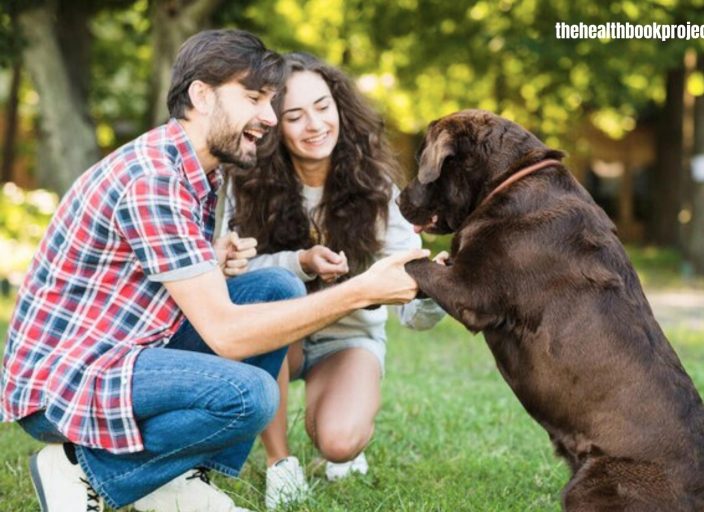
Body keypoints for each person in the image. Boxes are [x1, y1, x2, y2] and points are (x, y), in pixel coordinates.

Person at [0, 30, 428, 512]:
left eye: (270, 102)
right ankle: (83, 468)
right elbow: (227, 335)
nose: (268, 118)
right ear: (202, 95)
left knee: (276, 286)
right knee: (249, 395)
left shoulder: (196, 170)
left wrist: (208, 257)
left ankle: (177, 475)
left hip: (126, 352)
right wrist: (359, 291)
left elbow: (152, 272)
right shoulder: (154, 179)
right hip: (67, 381)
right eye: (254, 99)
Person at [223, 52, 445, 509]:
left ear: (339, 106)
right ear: (271, 125)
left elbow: (412, 313)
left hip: (348, 340)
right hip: (279, 336)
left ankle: (334, 437)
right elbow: (230, 280)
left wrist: (436, 290)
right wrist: (300, 262)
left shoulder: (377, 188)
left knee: (340, 441)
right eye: (294, 115)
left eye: (323, 107)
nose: (315, 125)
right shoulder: (243, 182)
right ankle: (280, 465)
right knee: (272, 298)